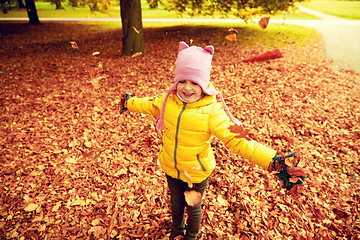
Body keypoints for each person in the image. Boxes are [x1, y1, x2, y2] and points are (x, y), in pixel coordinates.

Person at [120, 41, 306, 240]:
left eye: (195, 83)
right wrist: (128, 102)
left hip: (195, 173)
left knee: (192, 206)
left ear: (204, 85)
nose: (187, 88)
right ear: (176, 81)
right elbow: (146, 104)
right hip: (171, 168)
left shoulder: (212, 112)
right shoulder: (167, 102)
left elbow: (238, 140)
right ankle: (176, 229)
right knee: (176, 203)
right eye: (182, 81)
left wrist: (272, 160)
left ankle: (191, 235)